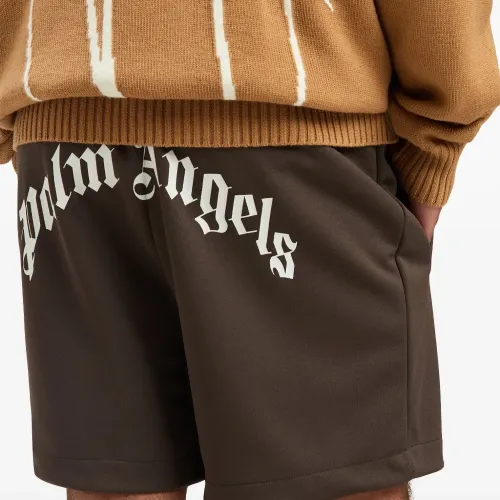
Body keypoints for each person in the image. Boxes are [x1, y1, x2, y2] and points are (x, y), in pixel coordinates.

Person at [1, 1, 499, 499]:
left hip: (64, 134)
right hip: (286, 113)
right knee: (324, 485)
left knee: (119, 486)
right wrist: (437, 134)